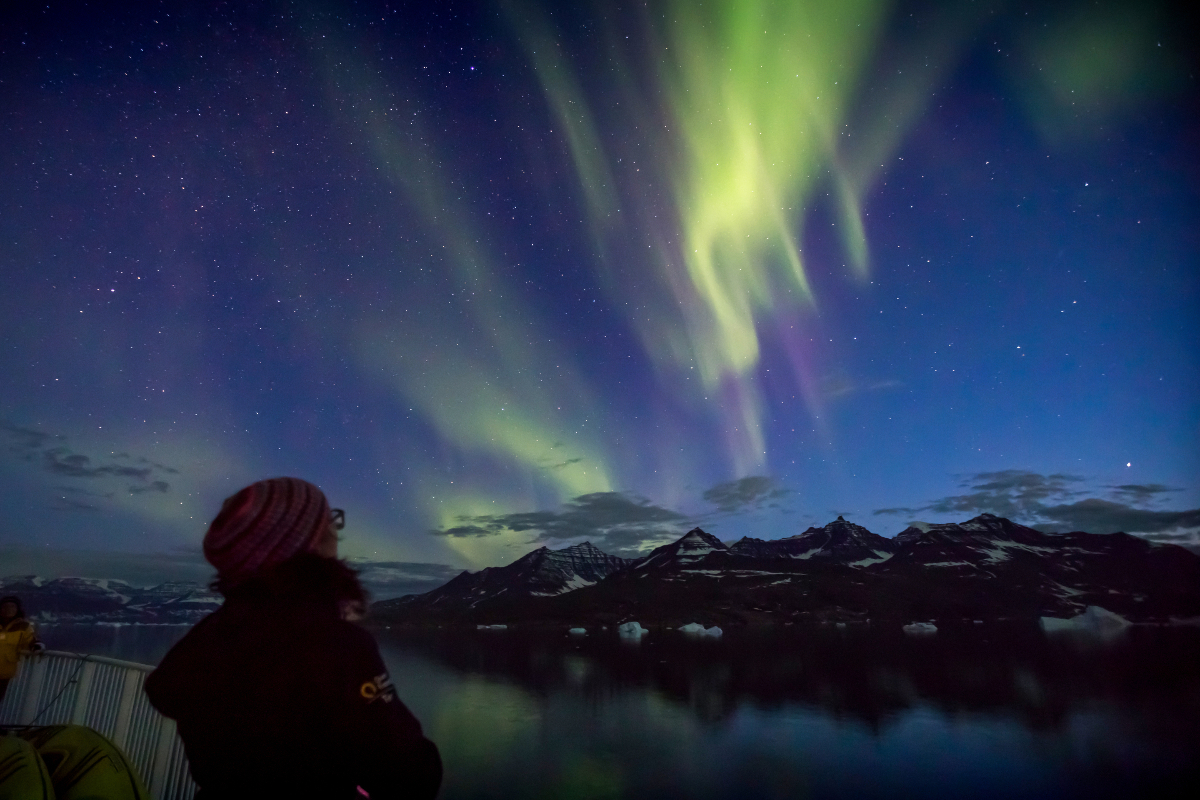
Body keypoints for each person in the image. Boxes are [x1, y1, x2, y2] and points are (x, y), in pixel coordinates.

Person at [145, 477, 442, 799]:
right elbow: (404, 771)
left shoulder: (210, 636)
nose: (336, 529)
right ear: (306, 541)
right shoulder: (333, 644)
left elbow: (165, 690)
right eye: (329, 519)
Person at [0, 595, 44, 705]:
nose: (8, 610)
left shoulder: (23, 626)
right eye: (5, 607)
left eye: (12, 607)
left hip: (4, 673)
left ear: (17, 609)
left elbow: (31, 640)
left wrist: (37, 645)